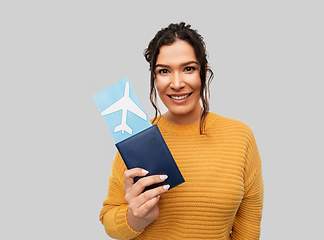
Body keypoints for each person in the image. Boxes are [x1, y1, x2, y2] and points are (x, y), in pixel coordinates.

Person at [99, 22, 264, 240]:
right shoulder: (136, 139)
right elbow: (109, 219)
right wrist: (137, 217)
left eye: (188, 69)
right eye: (164, 71)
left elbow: (248, 227)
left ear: (203, 72)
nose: (176, 83)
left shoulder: (240, 136)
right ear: (155, 78)